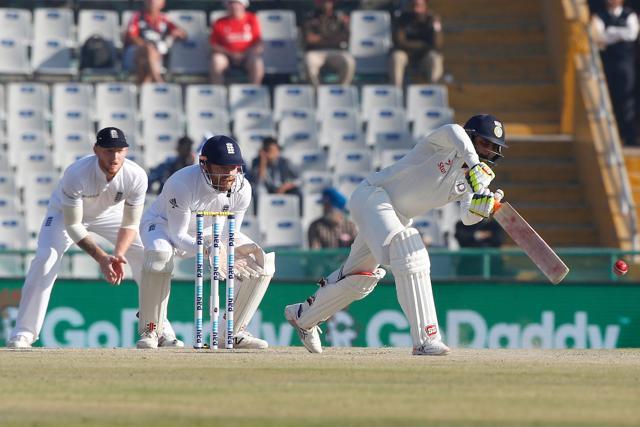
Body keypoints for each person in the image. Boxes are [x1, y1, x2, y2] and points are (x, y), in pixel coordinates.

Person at [285, 114, 508, 356]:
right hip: (374, 196)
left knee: (360, 279)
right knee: (409, 252)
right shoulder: (443, 144)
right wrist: (475, 164)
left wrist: (482, 208)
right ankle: (426, 339)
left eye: (493, 148)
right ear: (471, 137)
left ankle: (303, 316)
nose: (488, 151)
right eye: (484, 143)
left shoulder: (473, 183)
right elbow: (454, 129)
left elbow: (467, 217)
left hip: (396, 216)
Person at [7, 128, 180, 349]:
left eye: (119, 151)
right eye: (109, 151)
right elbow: (73, 225)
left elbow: (129, 224)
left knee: (149, 256)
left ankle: (159, 329)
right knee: (45, 258)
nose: (114, 157)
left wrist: (117, 255)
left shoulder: (136, 176)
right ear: (96, 150)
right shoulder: (76, 174)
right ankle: (23, 334)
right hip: (64, 215)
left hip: (110, 214)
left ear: (126, 151)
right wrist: (101, 257)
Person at [137, 135, 275, 349]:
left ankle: (232, 331)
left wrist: (223, 250)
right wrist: (210, 250)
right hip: (164, 226)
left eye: (234, 167)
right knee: (160, 255)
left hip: (211, 233)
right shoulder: (181, 183)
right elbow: (178, 235)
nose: (229, 174)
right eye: (222, 167)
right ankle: (151, 329)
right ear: (204, 164)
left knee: (262, 263)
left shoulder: (243, 189)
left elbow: (232, 233)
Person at [592, 0, 639, 146]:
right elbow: (599, 37)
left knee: (627, 99)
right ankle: (610, 138)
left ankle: (630, 136)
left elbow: (632, 34)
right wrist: (619, 33)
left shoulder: (629, 15)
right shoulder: (599, 16)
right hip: (608, 64)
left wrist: (611, 32)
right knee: (609, 99)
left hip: (626, 64)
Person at [124, 0, 187, 83]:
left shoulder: (165, 19)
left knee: (144, 62)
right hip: (137, 52)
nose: (152, 2)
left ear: (162, 3)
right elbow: (131, 37)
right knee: (148, 52)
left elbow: (183, 34)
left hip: (156, 56)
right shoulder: (137, 17)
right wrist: (147, 47)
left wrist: (176, 34)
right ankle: (159, 82)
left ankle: (144, 89)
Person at [390, 0, 443, 87]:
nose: (416, 9)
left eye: (419, 6)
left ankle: (434, 91)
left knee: (435, 58)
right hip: (406, 54)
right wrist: (423, 45)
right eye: (413, 6)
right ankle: (396, 92)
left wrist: (436, 25)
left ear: (425, 6)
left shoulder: (432, 19)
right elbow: (400, 42)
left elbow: (437, 44)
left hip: (424, 55)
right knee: (396, 57)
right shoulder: (402, 19)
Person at [209, 0, 264, 85]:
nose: (234, 6)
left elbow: (258, 42)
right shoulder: (220, 22)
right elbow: (214, 45)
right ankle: (218, 91)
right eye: (231, 3)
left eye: (237, 3)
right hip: (227, 57)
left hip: (247, 56)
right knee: (216, 60)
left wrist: (246, 53)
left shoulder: (252, 19)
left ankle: (254, 90)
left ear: (243, 5)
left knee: (257, 62)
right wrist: (231, 54)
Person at [302, 0, 356, 86]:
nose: (325, 4)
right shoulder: (310, 17)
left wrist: (321, 39)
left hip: (336, 51)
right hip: (315, 52)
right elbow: (310, 39)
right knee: (309, 62)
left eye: (328, 2)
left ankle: (340, 90)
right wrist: (332, 39)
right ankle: (317, 92)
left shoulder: (340, 17)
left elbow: (345, 37)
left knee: (349, 61)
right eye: (322, 2)